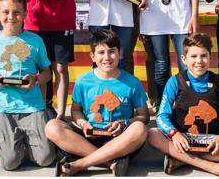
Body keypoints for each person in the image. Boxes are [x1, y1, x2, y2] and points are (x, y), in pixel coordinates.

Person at [45, 29, 149, 176]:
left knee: (140, 129)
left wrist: (124, 123)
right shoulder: (83, 81)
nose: (107, 57)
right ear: (92, 56)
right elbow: (76, 110)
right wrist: (83, 124)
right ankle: (110, 161)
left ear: (120, 53)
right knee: (52, 126)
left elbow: (143, 116)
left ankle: (81, 163)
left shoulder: (132, 82)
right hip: (89, 138)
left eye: (111, 51)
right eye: (101, 52)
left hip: (118, 139)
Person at [0, 0, 55, 170]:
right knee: (10, 162)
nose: (11, 17)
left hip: (31, 105)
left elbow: (47, 73)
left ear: (25, 14)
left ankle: (15, 140)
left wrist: (36, 78)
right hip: (1, 106)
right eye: (6, 12)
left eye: (17, 12)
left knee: (46, 158)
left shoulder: (35, 41)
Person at [147, 33, 219, 176]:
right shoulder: (174, 82)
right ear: (184, 59)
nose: (199, 61)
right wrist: (174, 134)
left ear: (210, 58)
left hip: (212, 140)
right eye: (193, 56)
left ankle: (183, 160)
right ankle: (210, 165)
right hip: (183, 139)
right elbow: (162, 116)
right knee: (152, 134)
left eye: (203, 56)